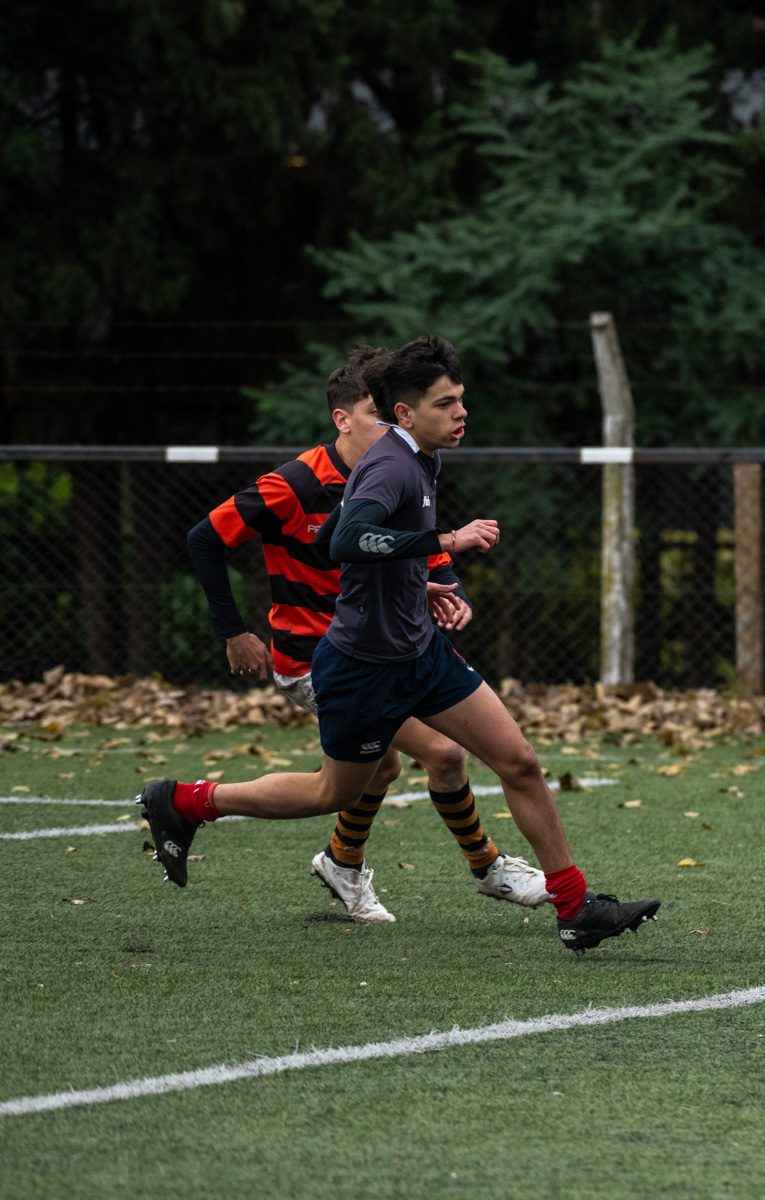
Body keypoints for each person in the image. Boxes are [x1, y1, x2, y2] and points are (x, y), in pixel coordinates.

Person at [141, 336, 658, 954]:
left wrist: (427, 577)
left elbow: (343, 528)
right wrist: (447, 540)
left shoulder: (417, 458)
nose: (462, 413)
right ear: (404, 414)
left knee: (514, 760)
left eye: (461, 399)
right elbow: (346, 541)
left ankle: (574, 907)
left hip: (420, 655)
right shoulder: (388, 464)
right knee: (332, 791)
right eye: (446, 403)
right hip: (361, 667)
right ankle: (186, 802)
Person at [186, 348, 547, 923]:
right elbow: (205, 539)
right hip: (315, 656)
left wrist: (451, 592)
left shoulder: (402, 466)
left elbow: (419, 551)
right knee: (439, 755)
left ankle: (342, 861)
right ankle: (486, 866)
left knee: (383, 768)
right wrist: (232, 631)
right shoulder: (297, 483)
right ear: (342, 420)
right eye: (377, 415)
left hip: (384, 653)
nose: (390, 426)